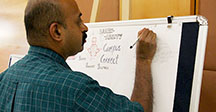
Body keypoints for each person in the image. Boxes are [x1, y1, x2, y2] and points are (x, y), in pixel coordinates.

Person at [0, 0, 156, 111]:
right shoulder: (76, 88)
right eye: (78, 20)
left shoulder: (5, 78)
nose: (84, 27)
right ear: (56, 31)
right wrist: (143, 59)